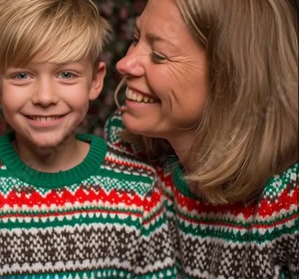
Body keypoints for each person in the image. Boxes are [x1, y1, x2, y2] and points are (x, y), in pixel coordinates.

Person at [0, 0, 176, 278]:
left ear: (95, 81)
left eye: (66, 74)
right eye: (22, 75)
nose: (45, 97)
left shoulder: (139, 190)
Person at [106, 0, 298, 277]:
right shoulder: (127, 147)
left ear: (231, 76)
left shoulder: (287, 201)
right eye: (136, 39)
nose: (125, 64)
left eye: (159, 55)